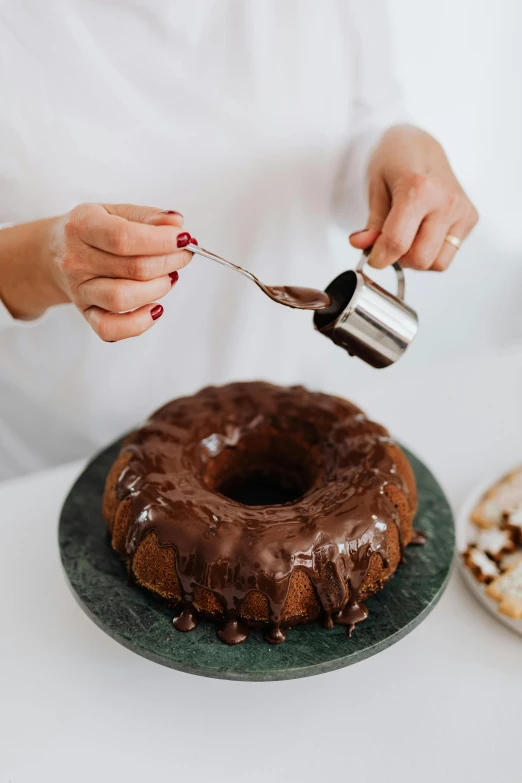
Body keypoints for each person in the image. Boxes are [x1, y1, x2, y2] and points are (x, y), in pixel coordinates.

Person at [0, 1, 478, 480]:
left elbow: (363, 121)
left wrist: (398, 148)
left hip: (291, 420)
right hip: (61, 467)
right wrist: (42, 261)